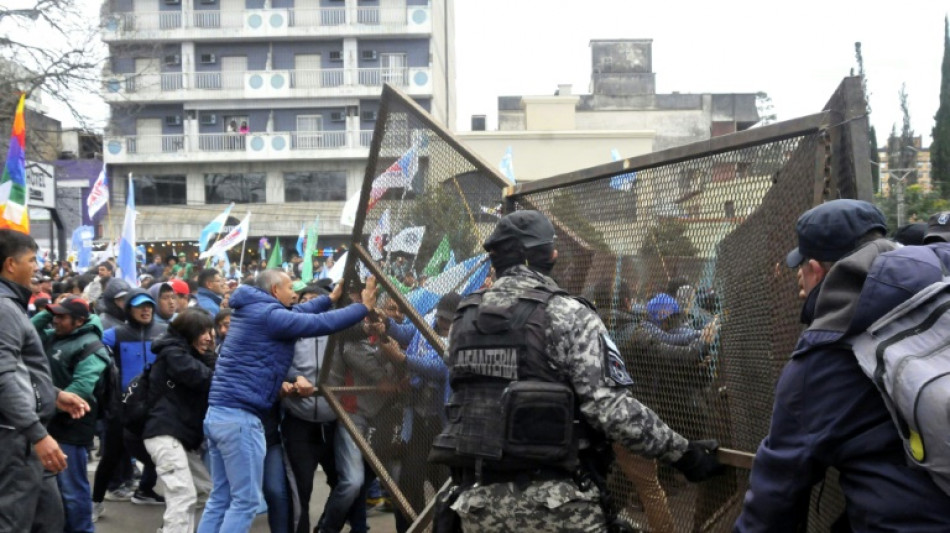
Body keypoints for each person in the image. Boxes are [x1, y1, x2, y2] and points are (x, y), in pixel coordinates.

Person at [429, 211, 724, 532]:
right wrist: (685, 454)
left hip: (477, 508)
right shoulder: (566, 313)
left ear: (495, 260)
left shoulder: (464, 319)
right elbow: (613, 412)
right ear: (550, 255)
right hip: (557, 507)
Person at [735, 199, 950, 531]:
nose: (798, 279)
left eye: (800, 266)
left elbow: (776, 495)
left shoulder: (823, 353)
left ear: (816, 269)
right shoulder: (940, 278)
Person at [197, 270, 377, 533]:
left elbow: (300, 315)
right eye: (289, 287)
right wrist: (363, 307)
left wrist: (330, 299)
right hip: (241, 419)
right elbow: (320, 324)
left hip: (220, 415)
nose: (294, 293)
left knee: (221, 498)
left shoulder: (255, 310)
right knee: (245, 501)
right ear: (274, 291)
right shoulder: (270, 315)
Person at [0, 229, 89, 532]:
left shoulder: (10, 305)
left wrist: (53, 394)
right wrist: (37, 434)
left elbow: (20, 371)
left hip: (23, 436)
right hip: (15, 438)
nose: (37, 267)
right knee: (15, 524)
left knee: (49, 519)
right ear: (11, 264)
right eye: (31, 260)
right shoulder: (3, 308)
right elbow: (3, 377)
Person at [32, 296, 110, 533]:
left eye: (61, 317)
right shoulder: (54, 336)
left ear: (79, 321)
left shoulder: (91, 347)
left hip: (72, 426)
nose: (55, 320)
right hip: (47, 422)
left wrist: (43, 405)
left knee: (72, 489)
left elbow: (82, 389)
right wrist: (52, 309)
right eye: (54, 316)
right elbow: (28, 330)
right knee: (50, 487)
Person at [94, 289, 167, 513]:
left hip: (156, 406)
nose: (145, 310)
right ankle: (95, 503)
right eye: (139, 306)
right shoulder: (115, 334)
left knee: (159, 455)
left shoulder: (165, 332)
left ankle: (144, 490)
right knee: (110, 457)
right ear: (129, 310)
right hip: (122, 408)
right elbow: (94, 352)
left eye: (149, 306)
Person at [143, 309, 217, 533]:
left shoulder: (188, 353)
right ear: (188, 332)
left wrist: (209, 353)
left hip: (181, 437)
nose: (208, 337)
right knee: (182, 495)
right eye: (202, 331)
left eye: (209, 331)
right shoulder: (174, 354)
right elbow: (207, 378)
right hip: (165, 434)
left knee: (204, 491)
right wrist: (210, 355)